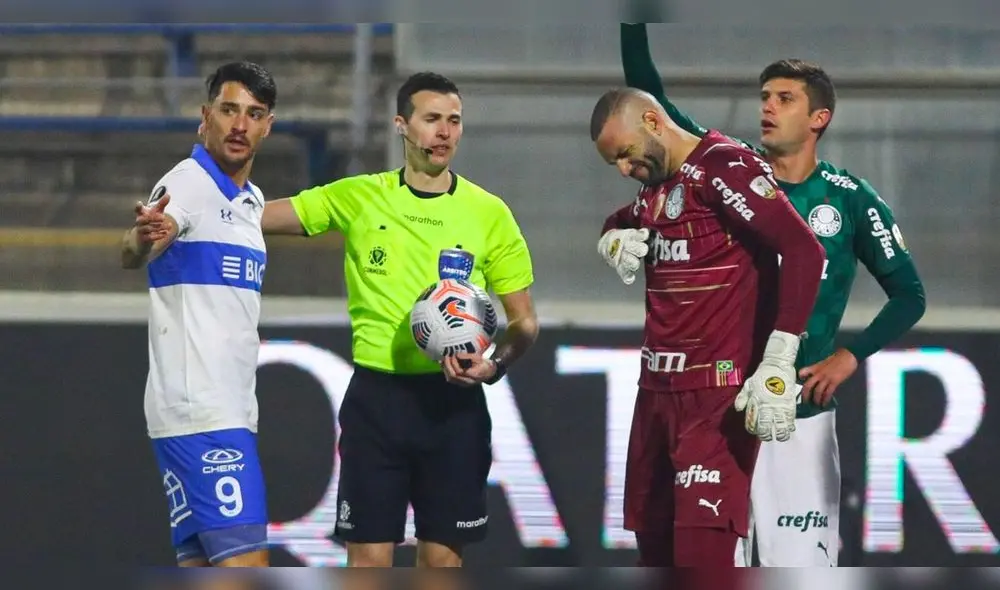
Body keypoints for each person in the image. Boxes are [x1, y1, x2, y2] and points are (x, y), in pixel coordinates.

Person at [619, 23, 927, 566]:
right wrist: (632, 21)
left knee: (800, 569)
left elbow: (909, 294)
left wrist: (850, 355)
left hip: (797, 416)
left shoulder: (851, 200)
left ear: (818, 119)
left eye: (785, 99)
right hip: (722, 411)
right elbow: (651, 100)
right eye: (764, 97)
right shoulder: (728, 169)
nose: (768, 107)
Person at [261, 72, 539, 567]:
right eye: (432, 119)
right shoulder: (360, 197)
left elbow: (524, 324)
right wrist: (198, 209)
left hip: (453, 406)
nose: (445, 132)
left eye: (454, 121)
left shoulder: (489, 213)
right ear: (401, 126)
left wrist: (492, 366)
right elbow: (260, 215)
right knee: (367, 562)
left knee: (441, 564)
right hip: (377, 402)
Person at [592, 86, 826, 568]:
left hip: (716, 398)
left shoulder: (725, 167)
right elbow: (620, 219)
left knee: (703, 561)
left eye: (625, 154)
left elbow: (805, 250)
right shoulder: (656, 185)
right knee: (653, 556)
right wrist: (612, 239)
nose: (622, 170)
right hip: (655, 393)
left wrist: (778, 360)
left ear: (654, 124)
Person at [120, 61, 277, 567]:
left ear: (267, 126)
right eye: (229, 110)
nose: (239, 125)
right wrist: (143, 238)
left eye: (253, 114)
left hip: (216, 410)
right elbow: (136, 244)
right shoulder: (187, 182)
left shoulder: (250, 203)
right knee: (246, 568)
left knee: (204, 568)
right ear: (204, 117)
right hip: (202, 413)